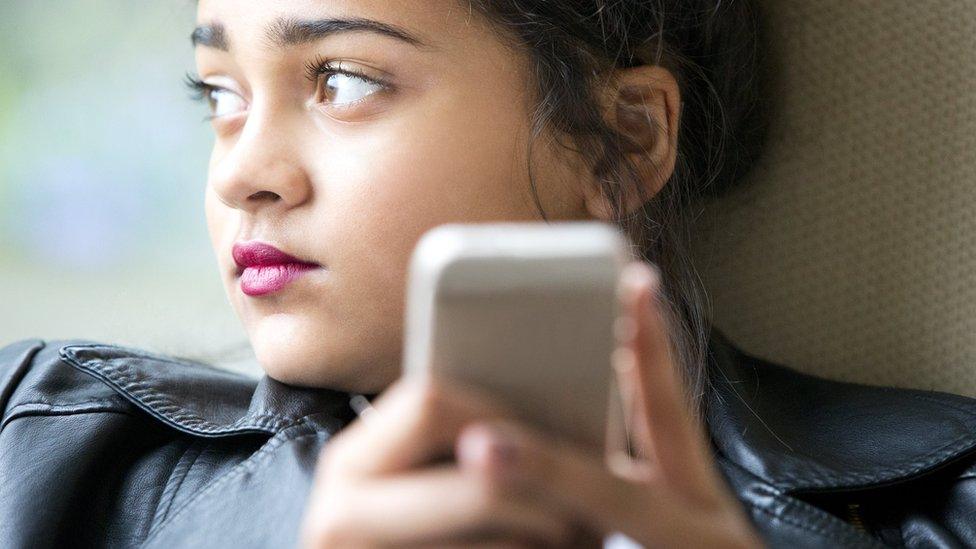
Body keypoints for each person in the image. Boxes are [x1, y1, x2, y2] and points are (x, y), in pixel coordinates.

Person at [2, 1, 975, 547]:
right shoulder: (36, 451)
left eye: (342, 81)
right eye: (218, 94)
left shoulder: (952, 505)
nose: (242, 174)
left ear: (621, 142)